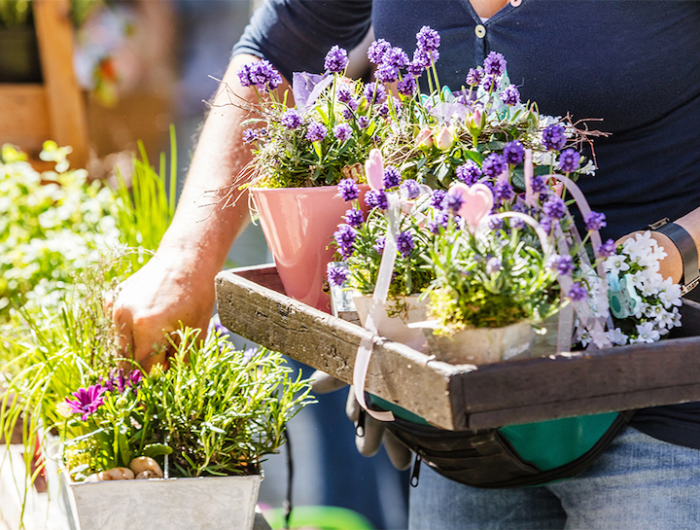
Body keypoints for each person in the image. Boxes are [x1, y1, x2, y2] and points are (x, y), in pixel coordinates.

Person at [110, 0, 700, 528]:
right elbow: (278, 46)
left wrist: (674, 251)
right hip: (459, 413)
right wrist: (187, 258)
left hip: (661, 416)